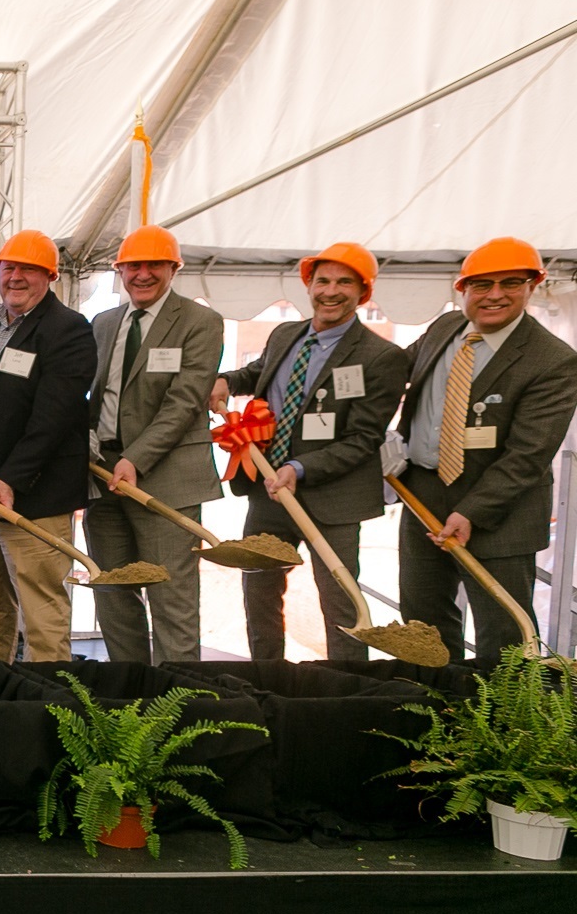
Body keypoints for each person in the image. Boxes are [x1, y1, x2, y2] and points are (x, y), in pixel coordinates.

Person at [211, 242, 408, 661]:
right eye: (322, 281)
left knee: (340, 601)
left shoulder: (381, 357)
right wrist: (228, 379)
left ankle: (345, 689)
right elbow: (261, 371)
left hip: (332, 498)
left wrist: (299, 468)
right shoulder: (286, 334)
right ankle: (269, 679)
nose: (330, 291)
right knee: (259, 592)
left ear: (363, 292)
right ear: (309, 285)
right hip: (268, 491)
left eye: (344, 282)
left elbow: (362, 438)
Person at [394, 237, 577, 660]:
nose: (494, 295)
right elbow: (387, 372)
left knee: (503, 635)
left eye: (510, 282)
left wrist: (472, 511)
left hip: (500, 512)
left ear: (532, 286)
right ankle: (440, 716)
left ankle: (499, 724)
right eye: (481, 285)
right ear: (463, 290)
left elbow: (527, 455)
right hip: (422, 495)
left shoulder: (552, 361)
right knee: (423, 627)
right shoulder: (444, 330)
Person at [0, 230, 95, 663]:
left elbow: (54, 417)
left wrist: (11, 479)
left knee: (40, 604)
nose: (15, 277)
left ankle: (46, 708)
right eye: (8, 267)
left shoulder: (67, 330)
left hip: (34, 492)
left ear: (49, 276)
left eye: (28, 269)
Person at [86, 224, 223, 664]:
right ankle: (128, 699)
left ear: (173, 269)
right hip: (103, 475)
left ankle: (177, 707)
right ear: (120, 271)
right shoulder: (104, 323)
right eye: (133, 266)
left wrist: (136, 460)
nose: (142, 275)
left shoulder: (200, 322)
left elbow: (183, 403)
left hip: (166, 480)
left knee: (171, 599)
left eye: (154, 265)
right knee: (112, 592)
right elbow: (90, 396)